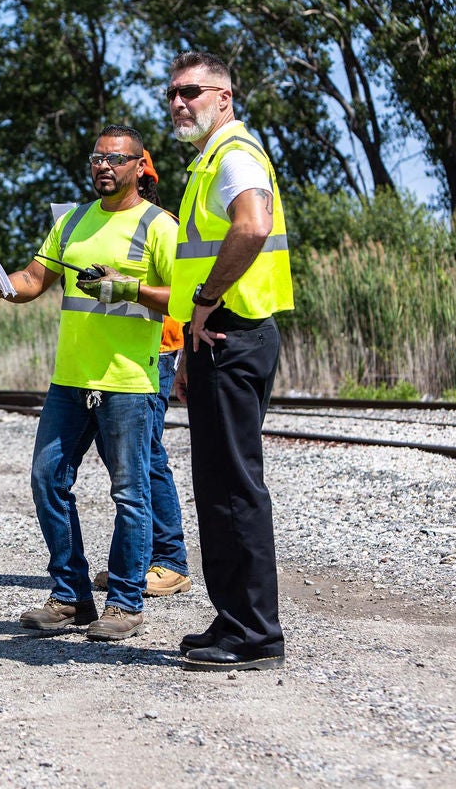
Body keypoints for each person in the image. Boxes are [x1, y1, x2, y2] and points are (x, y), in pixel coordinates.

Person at [0, 124, 176, 641]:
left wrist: (124, 287)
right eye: (96, 158)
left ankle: (126, 604)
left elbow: (184, 295)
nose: (103, 166)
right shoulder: (72, 222)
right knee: (47, 481)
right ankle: (71, 598)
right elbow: (34, 280)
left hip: (128, 382)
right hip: (70, 379)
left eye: (116, 159)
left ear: (138, 166)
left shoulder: (159, 225)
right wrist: (0, 286)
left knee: (130, 494)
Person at [165, 51, 294, 672]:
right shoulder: (208, 161)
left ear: (224, 97)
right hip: (215, 338)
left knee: (234, 486)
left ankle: (255, 634)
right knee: (215, 485)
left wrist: (207, 302)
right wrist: (190, 345)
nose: (179, 102)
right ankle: (232, 616)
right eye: (172, 93)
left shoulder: (234, 155)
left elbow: (253, 226)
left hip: (233, 332)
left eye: (191, 91)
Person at [92, 149, 191, 598]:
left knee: (147, 456)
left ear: (142, 176)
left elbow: (181, 294)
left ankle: (169, 561)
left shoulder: (159, 223)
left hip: (161, 349)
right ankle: (141, 559)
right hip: (132, 354)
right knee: (131, 457)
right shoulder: (110, 221)